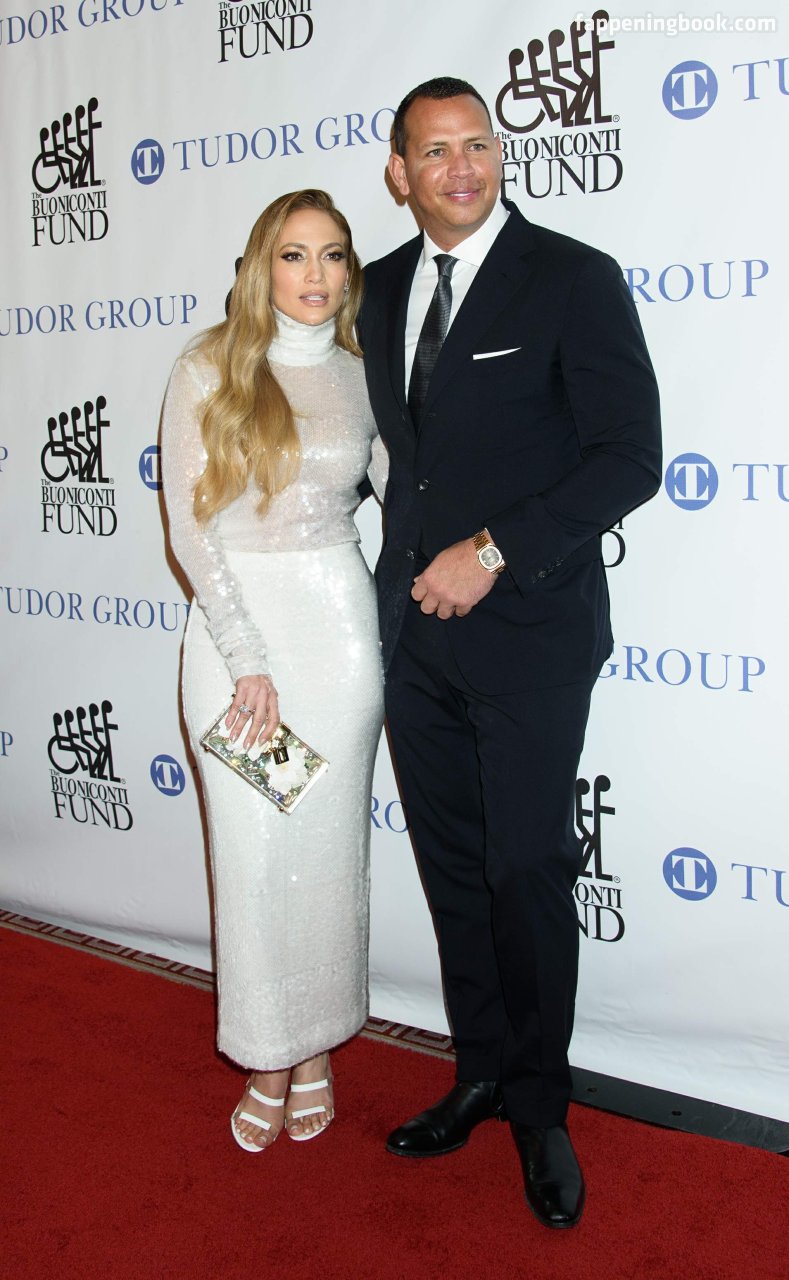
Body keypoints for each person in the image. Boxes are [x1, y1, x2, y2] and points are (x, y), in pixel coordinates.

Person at [358, 78, 661, 1227]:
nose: (463, 166)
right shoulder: (378, 289)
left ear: (499, 152)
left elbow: (630, 454)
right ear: (402, 172)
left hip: (531, 632)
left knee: (525, 866)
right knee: (452, 863)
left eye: (478, 143)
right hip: (411, 639)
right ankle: (480, 1069)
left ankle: (541, 1105)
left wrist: (494, 549)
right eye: (436, 151)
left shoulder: (573, 277)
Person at [161, 189, 386, 1151]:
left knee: (325, 853)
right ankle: (266, 1051)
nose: (314, 274)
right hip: (233, 643)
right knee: (255, 856)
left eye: (332, 255)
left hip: (337, 634)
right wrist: (247, 659)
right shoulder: (208, 365)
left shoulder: (364, 375)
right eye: (293, 254)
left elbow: (415, 492)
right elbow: (191, 528)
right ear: (262, 267)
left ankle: (317, 1043)